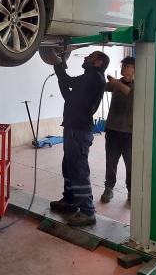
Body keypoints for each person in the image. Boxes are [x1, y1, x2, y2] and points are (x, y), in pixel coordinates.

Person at [50, 51, 110, 227]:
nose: (85, 58)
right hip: (73, 127)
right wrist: (59, 70)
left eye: (89, 57)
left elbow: (68, 82)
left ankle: (87, 212)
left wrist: (57, 65)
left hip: (79, 129)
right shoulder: (89, 78)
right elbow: (69, 96)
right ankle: (70, 202)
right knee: (69, 166)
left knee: (78, 169)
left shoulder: (94, 78)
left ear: (98, 63)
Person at [100, 56, 135, 203]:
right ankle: (109, 188)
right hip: (113, 130)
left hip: (130, 133)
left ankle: (131, 190)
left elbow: (130, 93)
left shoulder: (138, 85)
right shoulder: (116, 84)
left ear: (134, 70)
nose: (123, 68)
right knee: (111, 162)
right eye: (122, 65)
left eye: (127, 66)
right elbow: (102, 86)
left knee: (131, 164)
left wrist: (116, 83)